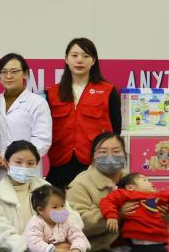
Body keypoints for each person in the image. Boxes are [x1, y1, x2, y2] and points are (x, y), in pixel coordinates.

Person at [46, 38, 120, 188]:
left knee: (94, 201)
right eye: (74, 55)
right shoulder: (52, 92)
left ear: (93, 60)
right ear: (66, 59)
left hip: (94, 163)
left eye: (86, 56)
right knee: (57, 203)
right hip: (60, 163)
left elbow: (116, 129)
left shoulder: (108, 90)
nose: (79, 60)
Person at [0, 53, 51, 189]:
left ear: (25, 74)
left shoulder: (37, 103)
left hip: (26, 170)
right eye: (4, 72)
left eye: (14, 71)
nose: (8, 76)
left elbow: (42, 140)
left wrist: (16, 159)